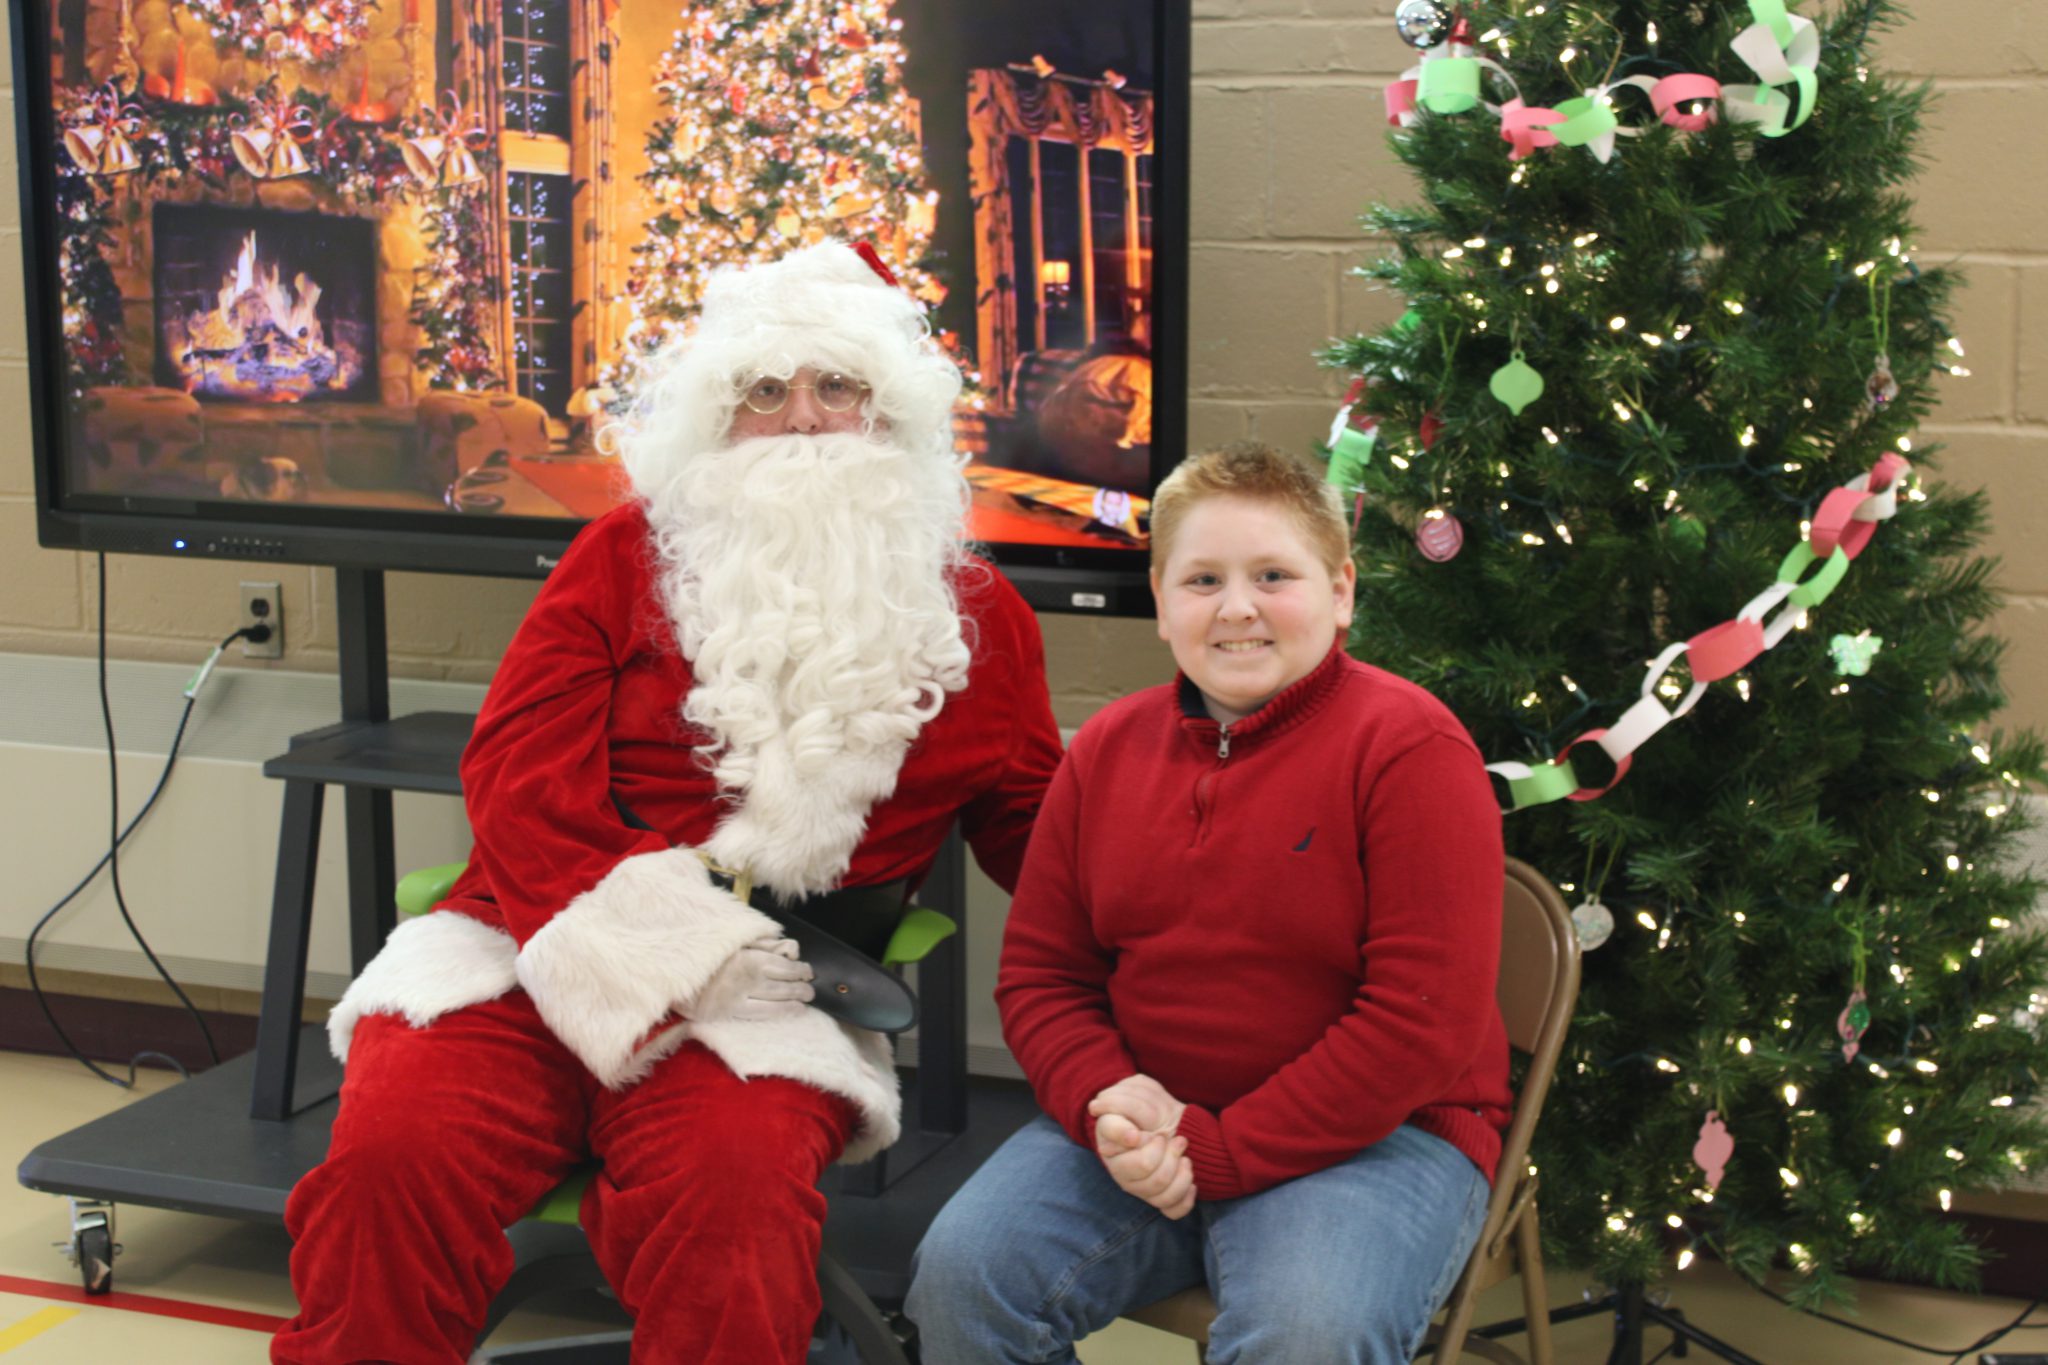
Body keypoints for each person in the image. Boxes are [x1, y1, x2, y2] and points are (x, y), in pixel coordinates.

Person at [272, 241, 1064, 1365]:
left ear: (888, 418)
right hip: (533, 945)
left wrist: (1176, 919)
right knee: (387, 1166)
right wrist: (658, 946)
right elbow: (516, 776)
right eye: (763, 392)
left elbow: (1035, 824)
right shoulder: (618, 557)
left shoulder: (979, 616)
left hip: (774, 982)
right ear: (716, 419)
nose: (801, 422)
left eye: (837, 388)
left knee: (734, 1219)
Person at [906, 442, 1512, 1364]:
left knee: (1306, 1336)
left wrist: (1222, 1149)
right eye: (1202, 579)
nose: (1237, 607)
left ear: (1341, 591)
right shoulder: (1108, 749)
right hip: (1146, 1121)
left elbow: (1418, 1024)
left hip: (1381, 1136)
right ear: (1160, 604)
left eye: (1274, 574)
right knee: (961, 1278)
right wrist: (1107, 1097)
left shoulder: (1411, 749)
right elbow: (1042, 974)